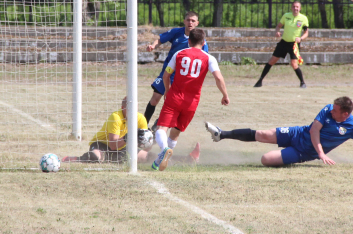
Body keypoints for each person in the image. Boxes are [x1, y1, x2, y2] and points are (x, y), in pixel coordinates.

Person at [204, 96, 353, 168]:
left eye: (336, 110)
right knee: (262, 134)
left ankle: (286, 158)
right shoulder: (328, 108)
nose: (331, 111)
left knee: (265, 160)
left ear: (345, 114)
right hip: (297, 133)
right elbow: (314, 131)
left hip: (302, 152)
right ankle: (222, 134)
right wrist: (321, 153)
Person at [152, 29, 230, 171]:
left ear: (188, 41)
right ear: (204, 42)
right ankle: (159, 160)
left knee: (161, 128)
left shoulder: (179, 54)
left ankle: (164, 149)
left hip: (175, 98)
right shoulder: (209, 58)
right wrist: (225, 95)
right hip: (191, 103)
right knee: (175, 132)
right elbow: (218, 77)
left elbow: (166, 76)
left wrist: (168, 92)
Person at [144, 11, 208, 126]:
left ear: (197, 23)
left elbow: (204, 60)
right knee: (155, 98)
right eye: (188, 20)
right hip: (167, 72)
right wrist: (153, 45)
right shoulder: (176, 32)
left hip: (182, 78)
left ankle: (157, 126)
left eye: (193, 21)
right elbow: (160, 39)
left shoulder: (200, 41)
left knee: (172, 103)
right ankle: (142, 126)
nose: (190, 22)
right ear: (184, 21)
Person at [62, 97, 150, 163]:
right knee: (94, 157)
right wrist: (128, 136)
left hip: (122, 148)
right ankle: (76, 159)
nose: (133, 112)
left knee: (149, 157)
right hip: (102, 145)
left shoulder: (141, 119)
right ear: (123, 107)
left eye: (136, 109)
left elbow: (146, 145)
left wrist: (146, 141)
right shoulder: (116, 117)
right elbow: (113, 145)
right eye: (130, 109)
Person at [254, 1, 309, 88]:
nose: (295, 8)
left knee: (294, 64)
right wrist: (277, 32)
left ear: (300, 8)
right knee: (272, 61)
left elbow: (306, 33)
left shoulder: (303, 18)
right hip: (284, 42)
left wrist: (301, 38)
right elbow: (278, 26)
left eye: (297, 7)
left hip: (294, 45)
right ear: (291, 8)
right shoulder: (286, 16)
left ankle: (302, 83)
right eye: (294, 6)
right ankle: (260, 81)